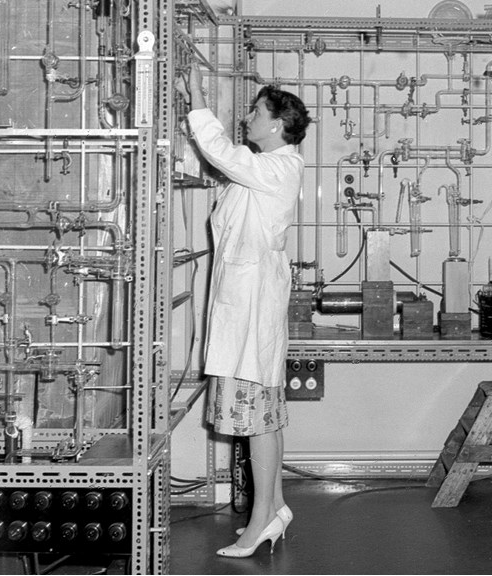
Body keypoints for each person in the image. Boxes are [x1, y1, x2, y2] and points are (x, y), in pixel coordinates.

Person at [176, 65, 311, 558]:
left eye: (256, 111)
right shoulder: (265, 169)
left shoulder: (279, 167)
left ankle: (259, 525)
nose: (247, 118)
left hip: (252, 312)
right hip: (248, 308)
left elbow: (222, 153)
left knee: (257, 421)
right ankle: (273, 508)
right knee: (266, 419)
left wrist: (196, 103)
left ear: (277, 123)